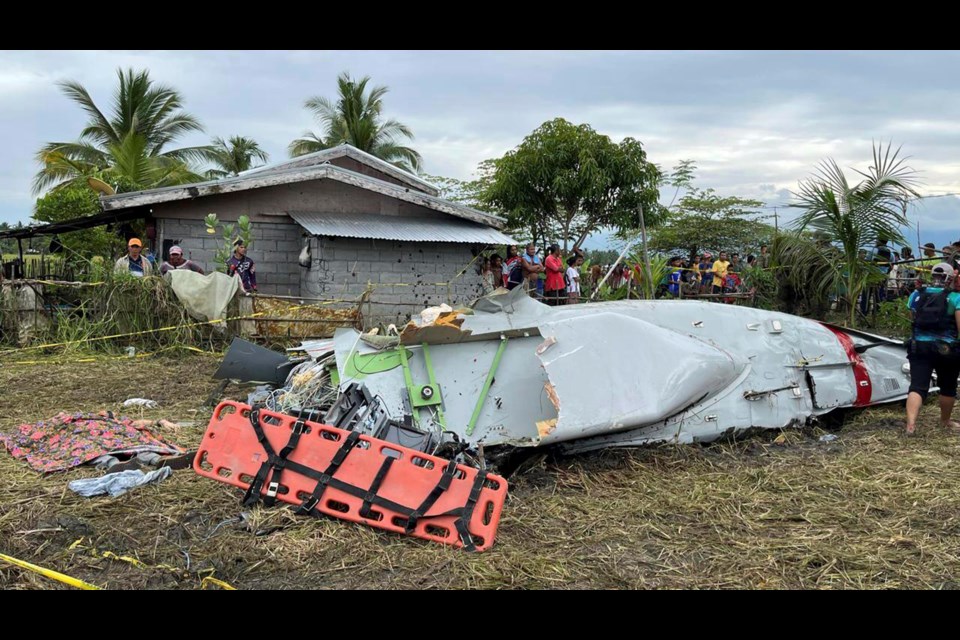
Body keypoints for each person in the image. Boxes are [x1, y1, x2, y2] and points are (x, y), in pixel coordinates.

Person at [904, 262, 960, 435]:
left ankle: (911, 424)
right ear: (951, 277)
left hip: (919, 347)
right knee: (948, 387)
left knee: (917, 386)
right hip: (947, 349)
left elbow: (912, 318)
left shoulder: (916, 294)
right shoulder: (955, 298)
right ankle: (945, 421)